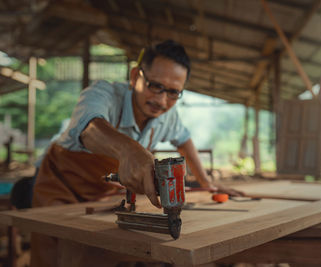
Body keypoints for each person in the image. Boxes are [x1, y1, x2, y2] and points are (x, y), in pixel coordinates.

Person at [31, 40, 243, 267]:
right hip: (59, 189)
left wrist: (206, 182)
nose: (161, 100)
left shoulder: (168, 115)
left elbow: (184, 140)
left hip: (105, 199)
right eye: (155, 86)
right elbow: (89, 129)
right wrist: (129, 150)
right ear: (135, 77)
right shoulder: (103, 94)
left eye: (173, 92)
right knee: (63, 253)